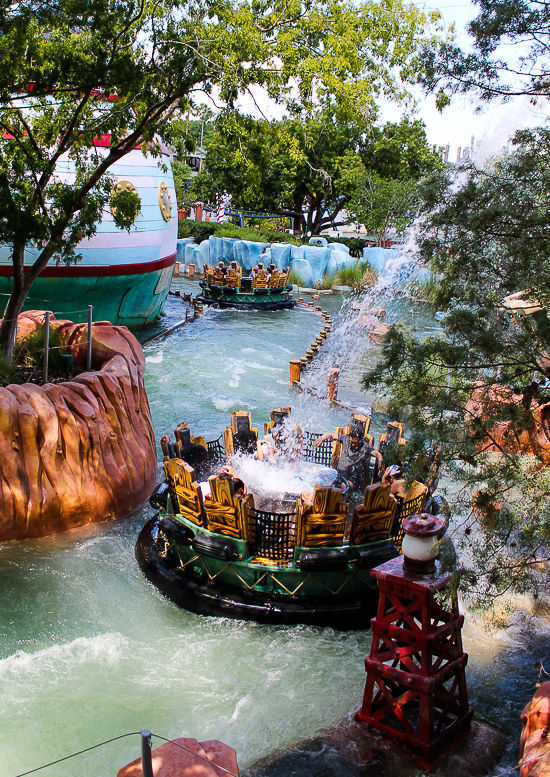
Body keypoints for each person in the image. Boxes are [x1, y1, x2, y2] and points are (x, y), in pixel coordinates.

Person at [313, 429, 383, 492]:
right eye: (351, 442)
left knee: (345, 487)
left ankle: (340, 503)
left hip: (352, 478)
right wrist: (322, 438)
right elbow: (330, 435)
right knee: (321, 481)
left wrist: (380, 460)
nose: (352, 444)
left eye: (355, 443)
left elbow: (377, 454)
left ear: (361, 440)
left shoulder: (365, 447)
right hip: (339, 474)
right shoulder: (345, 439)